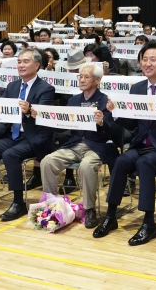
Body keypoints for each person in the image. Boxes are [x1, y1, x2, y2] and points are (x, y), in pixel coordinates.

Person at [93, 42, 156, 246]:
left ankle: (149, 223)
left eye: (153, 59)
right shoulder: (137, 88)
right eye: (144, 59)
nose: (147, 63)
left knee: (145, 164)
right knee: (121, 161)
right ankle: (111, 216)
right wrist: (116, 112)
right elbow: (131, 123)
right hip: (143, 144)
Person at [0, 49, 55, 221]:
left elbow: (44, 117)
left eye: (25, 61)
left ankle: (18, 202)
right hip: (11, 135)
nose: (21, 65)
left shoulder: (46, 89)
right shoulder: (13, 86)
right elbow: (2, 110)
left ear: (37, 65)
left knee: (10, 155)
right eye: (19, 61)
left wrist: (30, 111)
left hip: (33, 136)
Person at [37, 63, 118, 229]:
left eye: (86, 77)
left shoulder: (106, 101)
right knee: (47, 161)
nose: (81, 79)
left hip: (97, 145)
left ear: (97, 80)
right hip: (74, 144)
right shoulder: (74, 100)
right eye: (80, 76)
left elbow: (115, 132)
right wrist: (41, 116)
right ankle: (51, 206)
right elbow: (62, 125)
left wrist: (102, 122)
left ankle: (89, 209)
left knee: (86, 166)